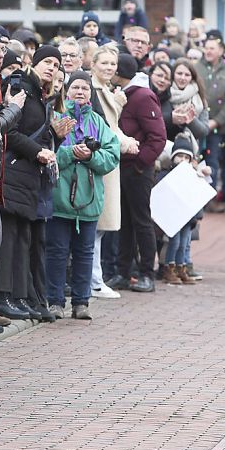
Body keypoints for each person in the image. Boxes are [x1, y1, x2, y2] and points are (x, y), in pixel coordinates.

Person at [0, 45, 65, 322]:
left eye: (56, 65)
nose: (51, 68)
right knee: (10, 237)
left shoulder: (42, 95)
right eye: (47, 62)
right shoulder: (22, 88)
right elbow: (8, 132)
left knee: (23, 237)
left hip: (30, 176)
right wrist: (37, 151)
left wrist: (53, 139)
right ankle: (3, 296)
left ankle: (19, 296)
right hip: (15, 172)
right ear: (34, 63)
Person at [45, 71, 119, 320]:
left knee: (85, 253)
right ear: (67, 90)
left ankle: (81, 302)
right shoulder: (56, 116)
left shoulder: (98, 122)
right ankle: (54, 301)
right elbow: (48, 152)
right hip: (60, 198)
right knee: (56, 252)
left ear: (90, 93)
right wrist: (69, 155)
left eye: (85, 89)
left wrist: (90, 156)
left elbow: (112, 156)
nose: (80, 92)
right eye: (75, 87)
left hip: (88, 200)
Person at [107, 53, 166, 293]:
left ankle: (146, 273)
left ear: (120, 73)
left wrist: (141, 163)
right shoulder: (124, 95)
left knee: (141, 220)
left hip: (137, 169)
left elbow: (158, 137)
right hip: (122, 166)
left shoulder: (142, 96)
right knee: (125, 222)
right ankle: (123, 271)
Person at [89, 45, 139, 299]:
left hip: (108, 163)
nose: (109, 68)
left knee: (98, 228)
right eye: (104, 63)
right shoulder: (94, 90)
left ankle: (93, 278)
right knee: (94, 226)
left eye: (112, 64)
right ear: (93, 64)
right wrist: (124, 141)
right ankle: (93, 280)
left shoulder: (108, 91)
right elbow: (103, 128)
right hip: (99, 162)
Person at [194, 33, 225, 211]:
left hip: (216, 127)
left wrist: (217, 121)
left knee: (212, 162)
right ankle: (194, 200)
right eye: (206, 47)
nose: (208, 51)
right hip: (195, 124)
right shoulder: (196, 68)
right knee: (194, 160)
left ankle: (209, 199)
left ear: (221, 51)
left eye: (212, 48)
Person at [160, 135, 202, 284]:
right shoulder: (167, 175)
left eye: (186, 157)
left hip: (188, 218)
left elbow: (197, 197)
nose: (183, 160)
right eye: (179, 157)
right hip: (174, 217)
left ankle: (180, 268)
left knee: (184, 244)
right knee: (175, 242)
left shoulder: (193, 176)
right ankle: (169, 268)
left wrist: (197, 216)